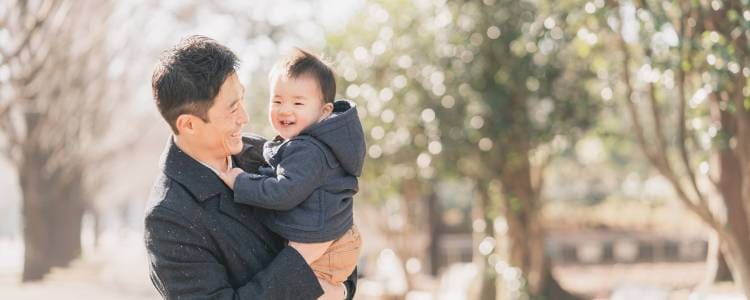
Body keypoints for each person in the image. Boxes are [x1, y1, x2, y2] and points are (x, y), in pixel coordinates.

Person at [144, 35, 355, 299]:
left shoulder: (261, 151)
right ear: (188, 124)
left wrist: (341, 291)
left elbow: (336, 213)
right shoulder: (169, 217)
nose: (244, 117)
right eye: (232, 109)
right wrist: (301, 257)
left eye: (241, 100)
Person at [219, 48, 364, 286]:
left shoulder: (308, 150)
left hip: (329, 248)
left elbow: (283, 192)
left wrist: (240, 181)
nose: (285, 110)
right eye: (277, 101)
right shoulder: (307, 144)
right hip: (332, 238)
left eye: (298, 103)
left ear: (324, 111)